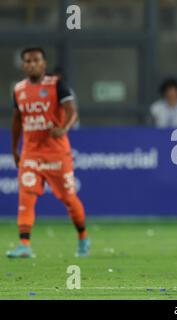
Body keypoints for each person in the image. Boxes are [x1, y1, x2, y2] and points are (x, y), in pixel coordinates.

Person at [8, 47, 90, 258]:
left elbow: (72, 111)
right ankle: (24, 244)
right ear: (23, 65)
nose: (32, 64)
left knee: (69, 199)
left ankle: (83, 237)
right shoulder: (18, 89)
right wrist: (14, 149)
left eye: (36, 60)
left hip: (56, 154)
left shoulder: (56, 85)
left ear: (44, 64)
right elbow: (17, 120)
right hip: (31, 153)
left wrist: (64, 127)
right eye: (27, 61)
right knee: (26, 196)